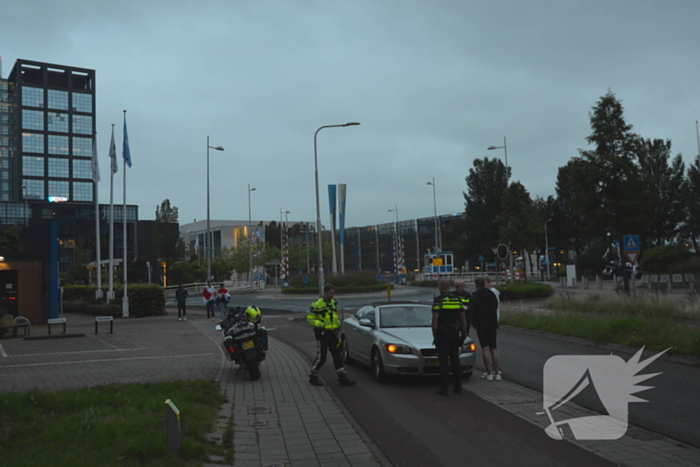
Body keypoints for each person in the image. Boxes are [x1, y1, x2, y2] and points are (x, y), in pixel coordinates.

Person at [307, 284, 356, 387]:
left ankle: (342, 378)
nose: (333, 295)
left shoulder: (333, 303)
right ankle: (313, 376)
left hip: (333, 333)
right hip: (323, 334)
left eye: (334, 293)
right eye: (331, 293)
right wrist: (321, 325)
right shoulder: (317, 304)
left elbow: (334, 317)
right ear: (325, 292)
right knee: (322, 357)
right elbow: (310, 319)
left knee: (337, 355)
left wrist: (338, 324)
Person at [432, 279, 468, 396]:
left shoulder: (439, 300)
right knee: (455, 360)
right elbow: (463, 318)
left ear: (441, 289)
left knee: (443, 362)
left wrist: (435, 334)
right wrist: (464, 332)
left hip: (442, 334)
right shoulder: (457, 299)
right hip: (455, 333)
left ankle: (444, 388)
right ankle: (458, 387)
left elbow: (435, 319)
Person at [469, 277, 501, 381]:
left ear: (476, 285)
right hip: (492, 324)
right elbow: (496, 306)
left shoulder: (475, 296)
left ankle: (489, 373)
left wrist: (473, 323)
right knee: (494, 348)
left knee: (485, 348)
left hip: (481, 325)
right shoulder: (492, 295)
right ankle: (497, 373)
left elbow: (471, 312)